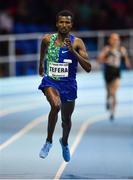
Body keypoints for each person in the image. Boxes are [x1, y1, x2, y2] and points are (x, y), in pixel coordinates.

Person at [38, 10, 91, 162]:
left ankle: (65, 142)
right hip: (51, 81)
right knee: (55, 106)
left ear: (71, 25)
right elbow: (42, 53)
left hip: (68, 85)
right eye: (61, 22)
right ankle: (48, 141)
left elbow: (88, 68)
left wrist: (73, 51)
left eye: (67, 22)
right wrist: (41, 66)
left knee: (66, 120)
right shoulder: (47, 39)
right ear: (56, 24)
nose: (64, 25)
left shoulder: (77, 42)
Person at [97, 33, 131, 120]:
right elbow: (99, 60)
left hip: (116, 72)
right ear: (110, 40)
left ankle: (113, 111)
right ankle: (108, 100)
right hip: (108, 72)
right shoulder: (107, 49)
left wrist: (127, 63)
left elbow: (126, 61)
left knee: (113, 92)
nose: (115, 41)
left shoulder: (121, 49)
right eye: (114, 39)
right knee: (108, 92)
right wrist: (105, 59)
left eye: (117, 39)